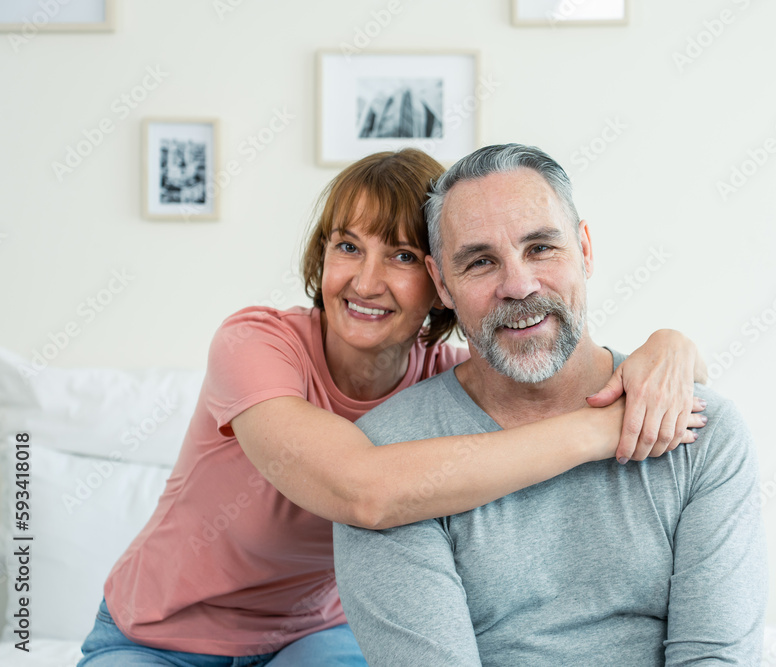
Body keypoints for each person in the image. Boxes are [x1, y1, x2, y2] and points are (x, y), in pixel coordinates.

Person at [77, 148, 709, 666]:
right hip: (159, 636)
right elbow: (364, 493)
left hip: (315, 635)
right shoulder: (256, 344)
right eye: (347, 247)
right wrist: (600, 432)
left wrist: (673, 348)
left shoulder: (442, 382)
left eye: (401, 255)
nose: (366, 280)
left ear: (439, 282)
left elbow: (558, 372)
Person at [333, 144, 768, 666]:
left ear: (585, 249)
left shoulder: (701, 429)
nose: (518, 286)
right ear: (442, 282)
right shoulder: (389, 463)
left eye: (540, 248)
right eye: (480, 262)